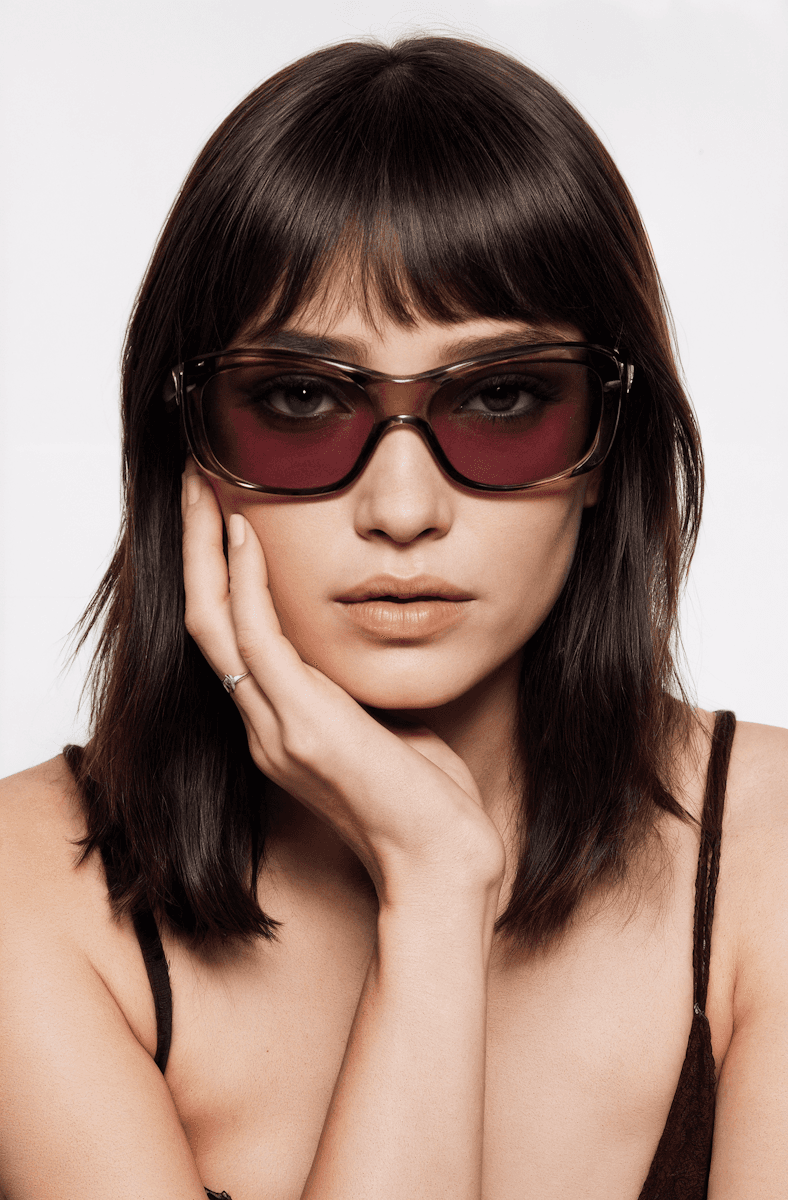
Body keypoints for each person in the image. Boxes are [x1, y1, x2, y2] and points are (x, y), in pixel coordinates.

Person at [0, 34, 785, 1200]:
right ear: (191, 449)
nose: (404, 509)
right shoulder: (28, 894)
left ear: (605, 447)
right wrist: (431, 882)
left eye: (501, 397)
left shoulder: (771, 853)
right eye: (300, 399)